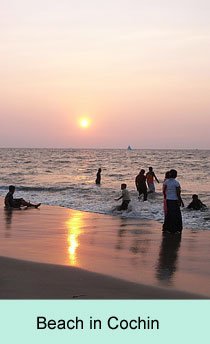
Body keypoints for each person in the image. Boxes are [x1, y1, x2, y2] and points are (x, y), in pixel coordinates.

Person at [162, 169, 183, 234]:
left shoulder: (166, 182)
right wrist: (180, 201)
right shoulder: (176, 183)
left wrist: (166, 197)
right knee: (176, 215)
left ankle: (167, 228)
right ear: (175, 175)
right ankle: (176, 229)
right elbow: (178, 193)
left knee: (169, 214)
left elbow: (164, 191)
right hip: (174, 200)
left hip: (168, 199)